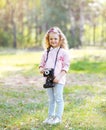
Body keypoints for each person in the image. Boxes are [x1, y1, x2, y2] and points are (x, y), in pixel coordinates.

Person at [39, 26, 70, 125]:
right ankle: (50, 116)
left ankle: (58, 117)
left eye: (55, 38)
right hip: (48, 80)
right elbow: (41, 65)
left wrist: (59, 76)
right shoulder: (46, 52)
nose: (53, 40)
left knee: (58, 98)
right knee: (51, 99)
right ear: (48, 40)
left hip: (59, 80)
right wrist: (41, 69)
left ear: (60, 39)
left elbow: (66, 66)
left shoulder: (64, 52)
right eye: (51, 39)